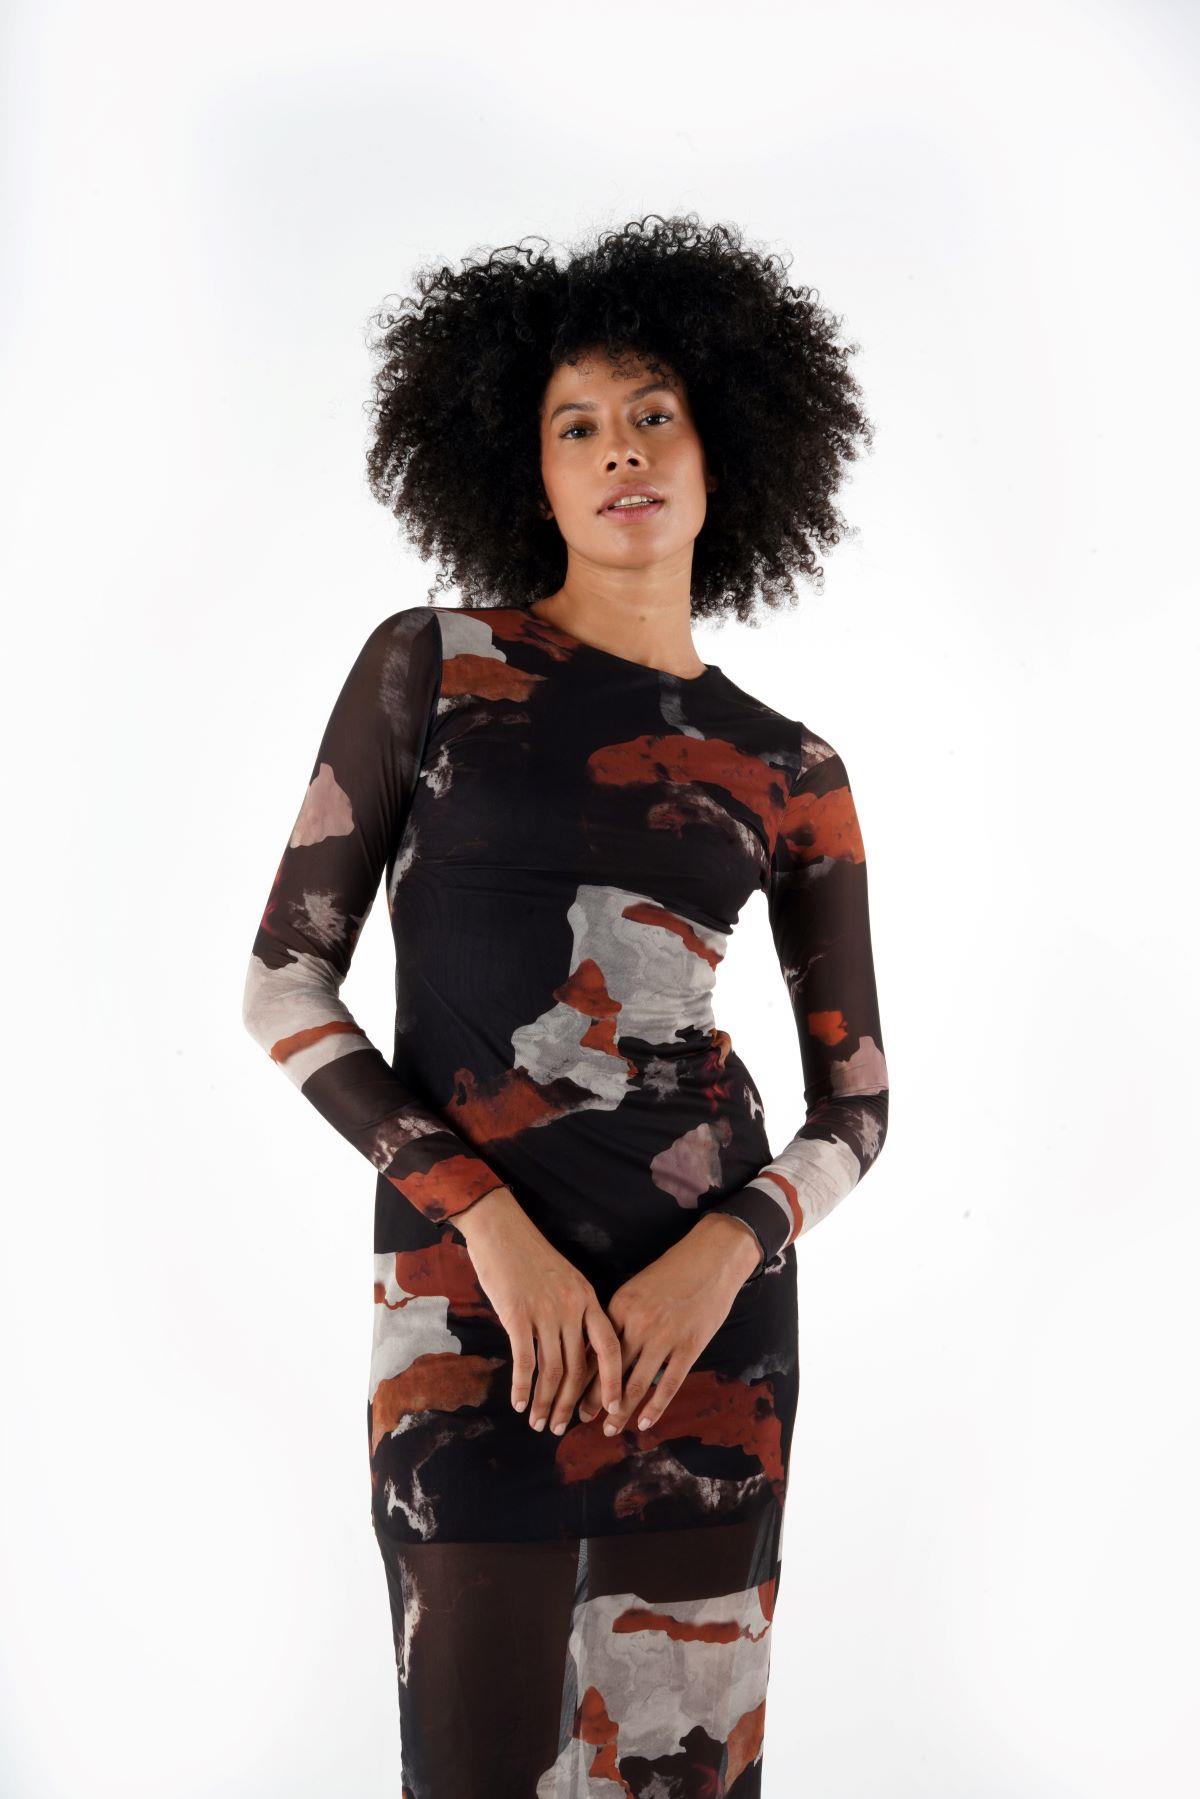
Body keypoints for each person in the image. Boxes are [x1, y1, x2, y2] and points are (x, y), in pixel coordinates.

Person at [241, 212, 890, 1797]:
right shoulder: (432, 666)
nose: (621, 452)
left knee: (677, 1757)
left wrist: (724, 1255)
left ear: (726, 452)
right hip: (469, 1305)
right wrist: (485, 1221)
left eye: (655, 415)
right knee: (471, 1750)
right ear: (528, 473)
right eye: (578, 426)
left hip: (704, 1329)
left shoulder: (790, 766)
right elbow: (283, 983)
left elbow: (858, 1107)